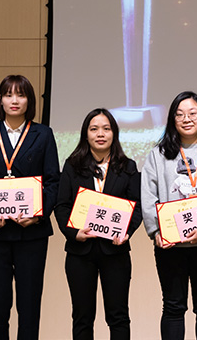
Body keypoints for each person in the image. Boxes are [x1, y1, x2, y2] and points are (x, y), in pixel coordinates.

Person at [0, 74, 60, 340]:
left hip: (32, 234)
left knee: (29, 307)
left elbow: (54, 181)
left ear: (30, 100)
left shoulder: (44, 134)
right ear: (0, 101)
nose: (14, 100)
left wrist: (38, 215)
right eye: (8, 95)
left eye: (21, 94)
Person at [141, 91, 197, 340]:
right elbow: (148, 196)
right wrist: (156, 231)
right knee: (173, 307)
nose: (187, 119)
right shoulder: (158, 155)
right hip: (171, 245)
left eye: (193, 113)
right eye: (180, 114)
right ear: (172, 119)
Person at [54, 108, 142, 339]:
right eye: (94, 129)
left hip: (115, 251)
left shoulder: (128, 167)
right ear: (86, 134)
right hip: (80, 252)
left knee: (118, 316)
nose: (100, 134)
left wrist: (127, 232)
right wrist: (74, 233)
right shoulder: (72, 165)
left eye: (106, 129)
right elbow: (62, 205)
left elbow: (137, 206)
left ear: (114, 133)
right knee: (82, 318)